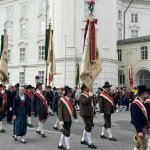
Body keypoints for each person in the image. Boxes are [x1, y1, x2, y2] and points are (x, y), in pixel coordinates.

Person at [130, 85, 149, 150]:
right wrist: (139, 131)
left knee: (138, 145)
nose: (147, 94)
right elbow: (135, 118)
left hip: (143, 126)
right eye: (146, 92)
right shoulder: (135, 104)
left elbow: (145, 115)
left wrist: (147, 126)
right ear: (143, 93)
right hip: (139, 127)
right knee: (144, 145)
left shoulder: (142, 102)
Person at [79, 84, 97, 149]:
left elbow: (92, 105)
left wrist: (94, 112)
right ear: (84, 88)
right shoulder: (81, 95)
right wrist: (90, 96)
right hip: (85, 113)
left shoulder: (88, 94)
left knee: (87, 126)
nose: (89, 88)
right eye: (87, 87)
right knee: (88, 126)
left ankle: (83, 140)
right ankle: (90, 143)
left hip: (89, 113)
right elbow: (85, 102)